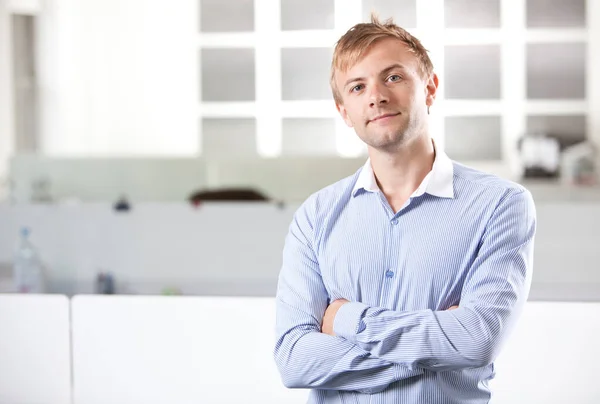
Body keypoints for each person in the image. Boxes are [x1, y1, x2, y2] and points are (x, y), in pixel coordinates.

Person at [273, 14, 536, 404]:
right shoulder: (316, 216)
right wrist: (439, 349)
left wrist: (346, 319)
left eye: (393, 77)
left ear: (429, 88)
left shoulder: (499, 206)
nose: (376, 95)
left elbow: (477, 340)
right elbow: (294, 360)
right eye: (357, 86)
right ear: (345, 111)